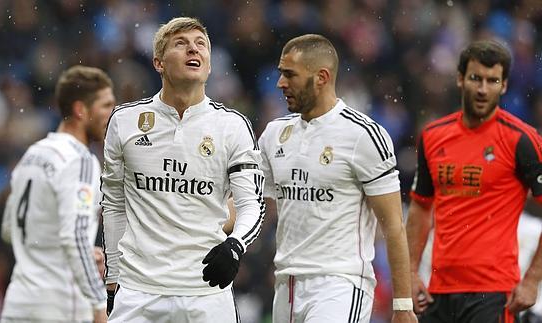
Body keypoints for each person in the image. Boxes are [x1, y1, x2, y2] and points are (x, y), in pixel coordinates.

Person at [101, 17, 265, 322]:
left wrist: (235, 245)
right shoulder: (124, 121)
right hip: (139, 290)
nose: (194, 49)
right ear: (159, 63)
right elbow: (113, 203)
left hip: (206, 290)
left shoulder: (232, 126)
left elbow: (252, 205)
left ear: (210, 64)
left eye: (201, 44)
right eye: (181, 43)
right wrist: (113, 277)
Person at [258, 34, 417, 323]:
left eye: (289, 75)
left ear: (322, 77)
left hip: (339, 284)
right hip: (286, 285)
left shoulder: (363, 135)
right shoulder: (273, 135)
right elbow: (256, 205)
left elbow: (393, 224)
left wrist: (402, 304)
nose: (280, 83)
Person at [406, 39, 542, 322]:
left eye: (492, 81)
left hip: (493, 293)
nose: (482, 89)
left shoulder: (522, 140)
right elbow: (420, 207)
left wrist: (532, 280)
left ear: (504, 85)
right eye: (475, 78)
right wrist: (409, 271)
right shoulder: (432, 136)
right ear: (460, 79)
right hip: (438, 290)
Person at [0, 65, 115, 323]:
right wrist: (99, 305)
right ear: (80, 110)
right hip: (61, 304)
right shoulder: (81, 160)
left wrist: (74, 248)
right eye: (106, 106)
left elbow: (9, 228)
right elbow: (74, 236)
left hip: (19, 302)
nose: (112, 114)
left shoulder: (33, 154)